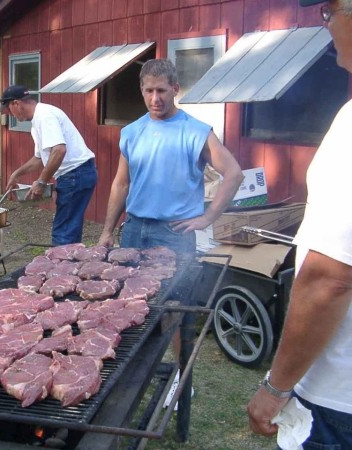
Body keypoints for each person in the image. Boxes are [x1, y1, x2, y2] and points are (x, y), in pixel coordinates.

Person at [97, 58, 243, 407]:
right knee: (128, 304)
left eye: (162, 90)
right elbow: (121, 183)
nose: (155, 98)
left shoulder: (196, 131)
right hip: (134, 230)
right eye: (148, 90)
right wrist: (106, 231)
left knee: (176, 308)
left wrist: (208, 217)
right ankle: (125, 371)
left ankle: (181, 378)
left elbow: (234, 173)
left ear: (176, 90)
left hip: (174, 234)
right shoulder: (132, 132)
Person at [248, 1, 352, 446]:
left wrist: (275, 387)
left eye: (329, 12)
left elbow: (330, 279)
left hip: (339, 397)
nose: (324, 24)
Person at [2, 85, 98, 245]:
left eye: (9, 110)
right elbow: (39, 158)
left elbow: (59, 150)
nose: (11, 115)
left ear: (16, 104)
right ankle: (71, 265)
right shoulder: (38, 120)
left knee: (63, 233)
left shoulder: (44, 116)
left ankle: (62, 268)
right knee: (69, 229)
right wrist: (16, 174)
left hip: (75, 175)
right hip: (78, 174)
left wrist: (41, 182)